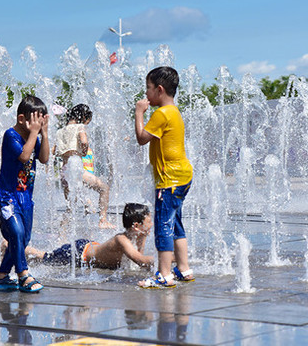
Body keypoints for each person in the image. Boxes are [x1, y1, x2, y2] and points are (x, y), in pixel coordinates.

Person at [134, 66, 194, 289]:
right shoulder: (174, 111)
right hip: (183, 176)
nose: (146, 94)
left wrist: (139, 112)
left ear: (159, 90)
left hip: (169, 179)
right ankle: (184, 269)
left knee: (163, 226)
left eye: (148, 89)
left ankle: (164, 274)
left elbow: (142, 138)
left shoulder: (160, 114)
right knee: (176, 223)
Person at [0, 96, 49, 293]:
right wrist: (34, 134)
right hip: (6, 196)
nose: (38, 125)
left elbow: (44, 158)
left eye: (42, 121)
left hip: (25, 198)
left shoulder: (34, 136)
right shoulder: (11, 135)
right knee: (15, 233)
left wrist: (45, 133)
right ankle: (23, 275)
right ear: (22, 118)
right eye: (36, 121)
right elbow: (24, 156)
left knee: (22, 240)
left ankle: (1, 277)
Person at [25, 203, 154, 269]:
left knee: (42, 260)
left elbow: (138, 261)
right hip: (78, 253)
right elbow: (141, 261)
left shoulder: (136, 236)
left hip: (89, 247)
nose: (152, 224)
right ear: (136, 226)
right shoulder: (122, 240)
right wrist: (170, 258)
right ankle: (13, 246)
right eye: (149, 221)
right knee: (45, 258)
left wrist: (143, 238)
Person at [54, 104, 114, 228]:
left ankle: (62, 233)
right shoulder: (80, 127)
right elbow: (84, 141)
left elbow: (53, 151)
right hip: (75, 168)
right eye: (87, 121)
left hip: (64, 170)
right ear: (83, 118)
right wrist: (84, 151)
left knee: (70, 206)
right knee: (104, 188)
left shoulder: (60, 131)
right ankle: (103, 220)